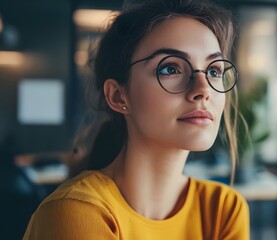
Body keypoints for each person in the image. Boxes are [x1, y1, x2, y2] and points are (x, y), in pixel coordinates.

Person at [23, 0, 250, 239]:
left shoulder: (223, 208)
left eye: (214, 71)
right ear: (119, 95)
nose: (203, 89)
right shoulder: (75, 212)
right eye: (170, 68)